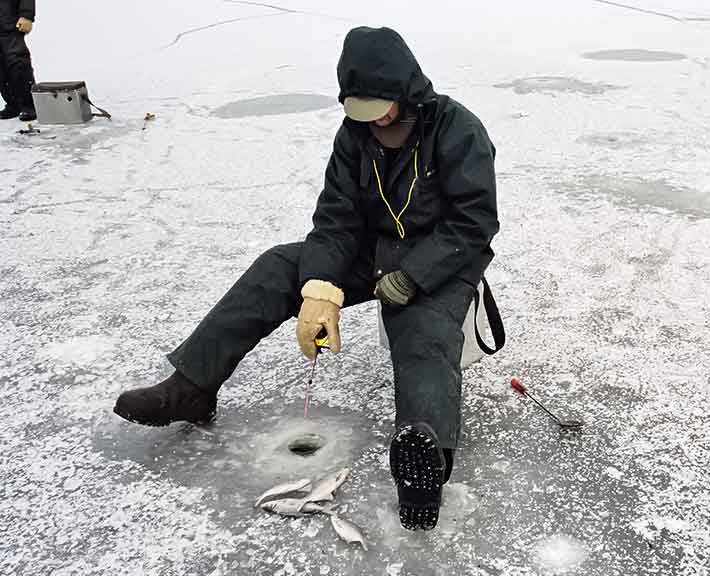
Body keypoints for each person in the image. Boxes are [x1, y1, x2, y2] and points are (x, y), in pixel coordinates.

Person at [113, 26, 499, 531]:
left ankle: (423, 461)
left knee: (423, 337)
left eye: (380, 107)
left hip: (438, 260)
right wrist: (319, 286)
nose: (374, 121)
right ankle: (192, 386)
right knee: (277, 267)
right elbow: (337, 217)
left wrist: (414, 275)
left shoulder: (457, 129)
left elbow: (475, 222)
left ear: (405, 89)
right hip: (370, 250)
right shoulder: (354, 136)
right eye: (359, 110)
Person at [0, 0, 36, 121]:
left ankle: (29, 105)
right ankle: (13, 105)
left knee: (17, 62)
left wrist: (26, 15)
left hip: (10, 22)